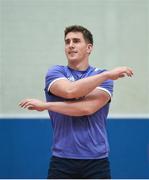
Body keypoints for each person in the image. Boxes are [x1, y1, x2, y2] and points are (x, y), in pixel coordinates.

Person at [19, 25, 133, 179]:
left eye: (76, 41)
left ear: (89, 48)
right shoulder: (56, 72)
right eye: (67, 42)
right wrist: (107, 75)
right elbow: (70, 91)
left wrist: (46, 105)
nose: (70, 45)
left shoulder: (103, 76)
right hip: (62, 160)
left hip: (96, 161)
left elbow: (86, 108)